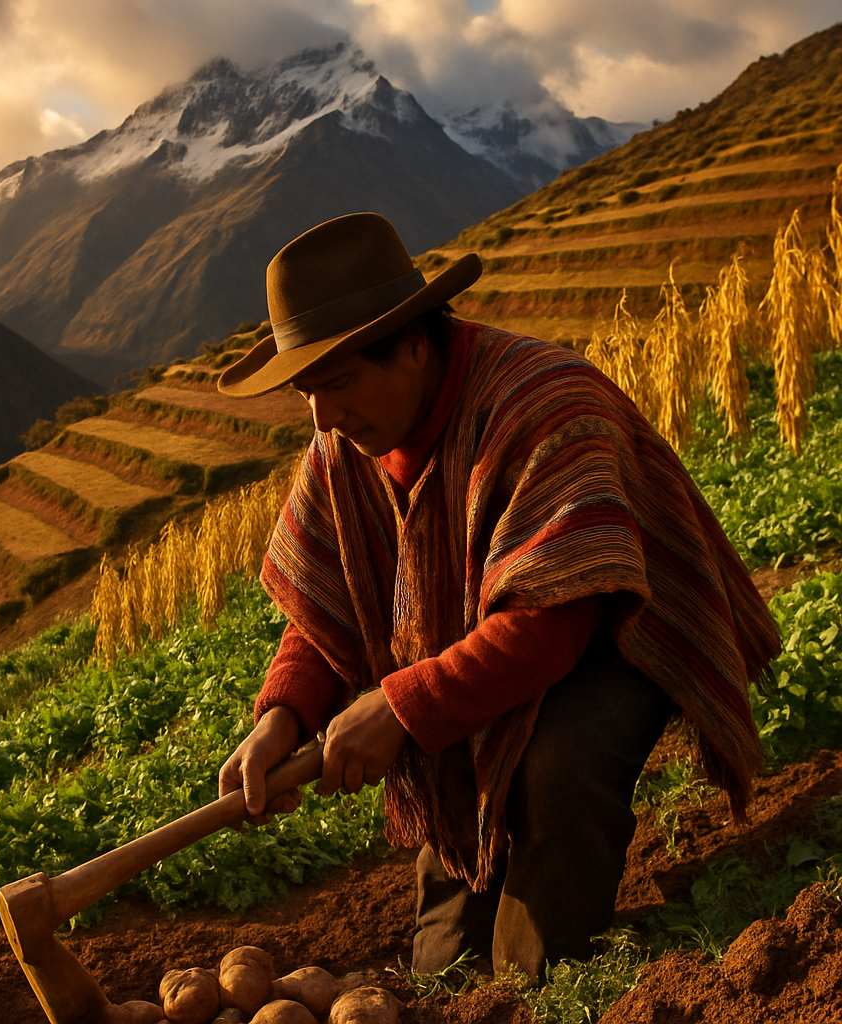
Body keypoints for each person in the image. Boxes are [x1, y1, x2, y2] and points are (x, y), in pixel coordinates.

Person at [215, 212, 780, 981]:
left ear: (413, 342)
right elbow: (331, 610)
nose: (324, 418)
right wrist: (283, 717)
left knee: (555, 774)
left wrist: (400, 707)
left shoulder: (544, 406)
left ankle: (535, 987)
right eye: (307, 393)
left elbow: (552, 625)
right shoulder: (346, 444)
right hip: (480, 640)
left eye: (338, 383)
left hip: (619, 623)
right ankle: (451, 977)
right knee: (443, 956)